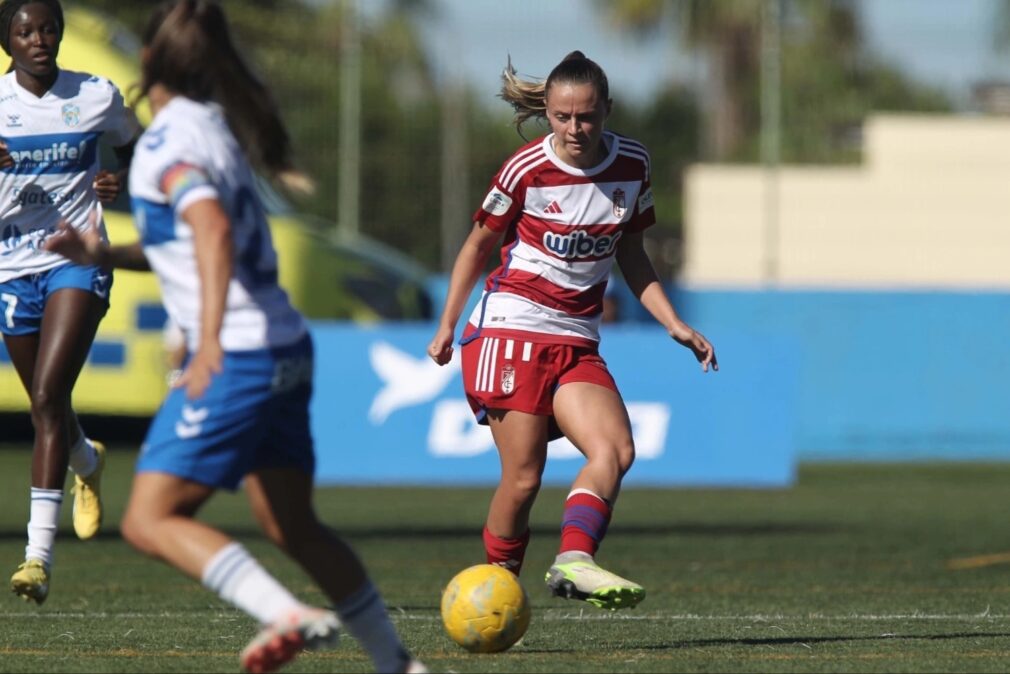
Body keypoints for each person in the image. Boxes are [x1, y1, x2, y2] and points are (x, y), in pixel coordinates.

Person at [46, 2, 425, 673]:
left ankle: (285, 614)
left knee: (149, 518)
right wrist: (104, 254)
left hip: (241, 353)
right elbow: (185, 239)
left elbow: (211, 229)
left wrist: (209, 338)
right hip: (285, 348)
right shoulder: (213, 127)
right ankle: (398, 665)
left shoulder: (166, 143)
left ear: (146, 61)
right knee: (291, 524)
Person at [428, 51, 717, 611]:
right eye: (562, 117)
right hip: (511, 327)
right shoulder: (525, 169)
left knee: (615, 448)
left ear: (606, 110)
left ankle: (574, 559)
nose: (574, 128)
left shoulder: (633, 164)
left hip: (577, 336)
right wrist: (446, 325)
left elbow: (632, 252)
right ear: (548, 113)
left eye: (585, 116)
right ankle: (493, 592)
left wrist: (673, 323)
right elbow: (477, 247)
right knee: (523, 480)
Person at [0, 0, 141, 604]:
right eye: (25, 31)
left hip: (77, 262)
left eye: (48, 29)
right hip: (11, 269)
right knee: (45, 404)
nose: (39, 39)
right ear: (7, 42)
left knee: (49, 398)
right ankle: (87, 462)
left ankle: (37, 558)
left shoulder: (96, 95)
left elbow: (137, 146)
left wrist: (120, 179)